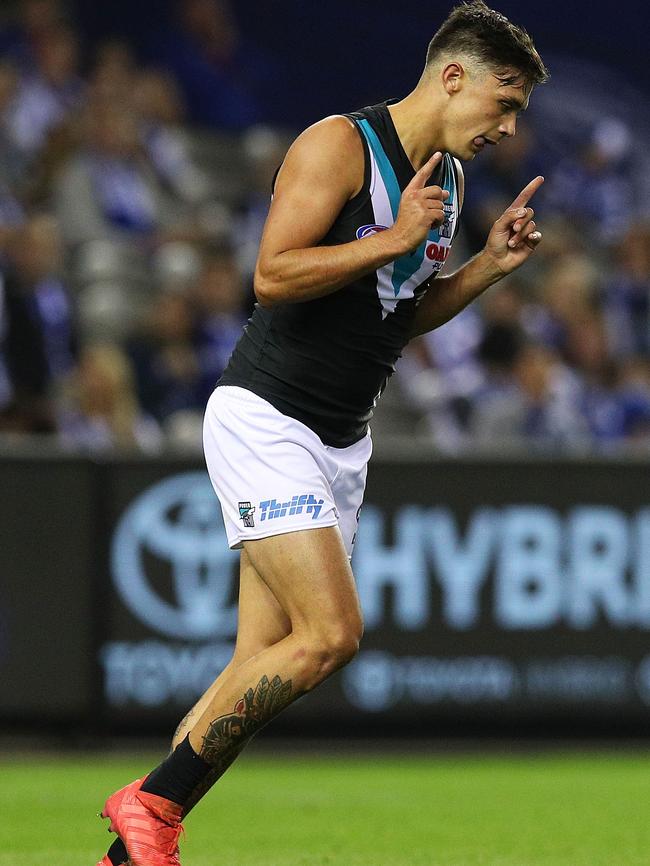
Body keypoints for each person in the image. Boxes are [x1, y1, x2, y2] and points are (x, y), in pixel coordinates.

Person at [95, 3, 548, 864]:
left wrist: (484, 266)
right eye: (505, 99)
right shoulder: (339, 146)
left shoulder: (443, 183)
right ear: (452, 76)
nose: (509, 125)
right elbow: (271, 275)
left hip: (342, 439)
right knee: (333, 635)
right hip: (269, 416)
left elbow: (395, 320)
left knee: (258, 665)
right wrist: (391, 240)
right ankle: (150, 804)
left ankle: (129, 851)